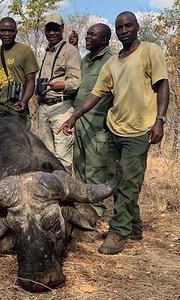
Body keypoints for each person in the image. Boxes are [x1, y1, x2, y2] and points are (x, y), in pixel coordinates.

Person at [58, 11, 169, 255]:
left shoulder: (151, 51)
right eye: (120, 27)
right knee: (119, 182)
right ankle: (134, 226)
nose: (124, 30)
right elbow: (96, 94)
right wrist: (74, 117)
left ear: (137, 26)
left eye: (129, 25)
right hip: (114, 128)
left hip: (139, 131)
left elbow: (162, 85)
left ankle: (118, 231)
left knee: (129, 182)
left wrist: (160, 120)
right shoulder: (112, 62)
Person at [71, 24, 114, 218]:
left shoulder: (111, 60)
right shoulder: (85, 60)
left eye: (92, 35)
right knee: (79, 165)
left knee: (95, 167)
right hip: (78, 119)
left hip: (98, 122)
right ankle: (82, 207)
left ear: (104, 40)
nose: (87, 37)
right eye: (87, 34)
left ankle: (95, 211)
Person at [37, 13, 81, 173]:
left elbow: (76, 81)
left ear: (62, 29)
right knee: (46, 156)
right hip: (43, 109)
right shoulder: (47, 52)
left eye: (55, 29)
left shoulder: (70, 51)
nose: (52, 33)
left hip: (61, 108)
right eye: (49, 29)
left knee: (63, 157)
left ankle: (66, 196)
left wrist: (62, 85)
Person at [0, 17, 39, 128]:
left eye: (11, 31)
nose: (7, 34)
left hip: (16, 109)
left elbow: (31, 81)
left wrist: (24, 101)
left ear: (16, 32)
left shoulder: (25, 51)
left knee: (17, 143)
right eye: (3, 30)